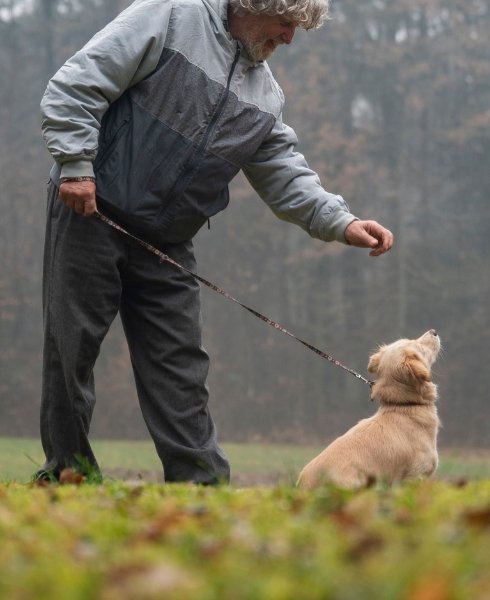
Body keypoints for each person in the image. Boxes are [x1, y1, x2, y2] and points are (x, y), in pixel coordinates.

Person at [37, 0, 393, 484]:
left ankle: (201, 487)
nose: (290, 38)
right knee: (70, 353)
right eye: (286, 24)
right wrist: (76, 164)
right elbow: (76, 84)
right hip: (92, 212)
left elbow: (286, 174)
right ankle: (67, 475)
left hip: (167, 242)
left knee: (180, 368)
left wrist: (343, 222)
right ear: (256, 5)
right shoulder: (169, 17)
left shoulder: (265, 96)